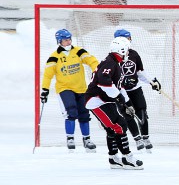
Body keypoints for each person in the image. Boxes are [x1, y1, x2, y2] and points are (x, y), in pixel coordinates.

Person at [84, 36, 143, 170]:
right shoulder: (110, 63)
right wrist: (118, 98)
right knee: (120, 124)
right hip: (96, 100)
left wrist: (128, 102)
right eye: (127, 50)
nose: (128, 53)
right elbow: (103, 81)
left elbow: (119, 86)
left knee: (112, 128)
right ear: (121, 50)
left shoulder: (116, 63)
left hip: (104, 99)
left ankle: (114, 158)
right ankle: (127, 158)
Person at [40, 29, 99, 152]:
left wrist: (96, 70)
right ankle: (70, 138)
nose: (68, 42)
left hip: (81, 88)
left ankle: (87, 139)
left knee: (84, 113)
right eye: (65, 40)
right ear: (59, 41)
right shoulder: (54, 57)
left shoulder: (78, 51)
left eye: (69, 39)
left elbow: (91, 60)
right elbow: (47, 75)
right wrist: (45, 90)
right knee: (71, 112)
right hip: (65, 88)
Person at [113, 29, 162, 153]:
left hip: (135, 89)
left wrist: (152, 81)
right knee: (128, 114)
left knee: (142, 112)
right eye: (126, 39)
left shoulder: (134, 54)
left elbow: (139, 72)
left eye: (129, 38)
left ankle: (145, 138)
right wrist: (122, 84)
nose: (129, 41)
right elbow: (113, 78)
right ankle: (137, 138)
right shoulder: (113, 58)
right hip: (122, 92)